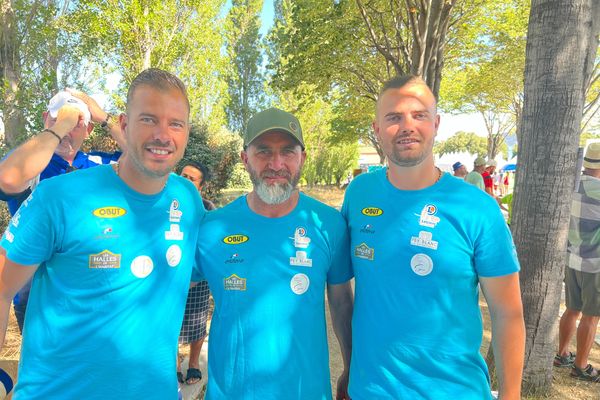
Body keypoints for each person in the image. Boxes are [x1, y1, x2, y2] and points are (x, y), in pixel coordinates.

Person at [0, 68, 204, 399]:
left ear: (186, 132)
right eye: (149, 119)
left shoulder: (188, 199)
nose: (163, 134)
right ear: (124, 125)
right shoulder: (58, 196)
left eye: (175, 123)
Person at [342, 75, 525, 399]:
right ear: (377, 128)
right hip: (371, 390)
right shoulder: (359, 194)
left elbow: (507, 313)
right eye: (394, 117)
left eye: (419, 115)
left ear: (436, 123)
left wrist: (511, 395)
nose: (407, 126)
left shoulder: (477, 208)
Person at [196, 107, 354, 399]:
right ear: (245, 159)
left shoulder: (329, 225)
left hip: (306, 391)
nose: (276, 163)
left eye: (288, 152)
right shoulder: (211, 229)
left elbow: (342, 304)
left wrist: (351, 367)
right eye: (264, 151)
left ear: (303, 158)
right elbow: (169, 292)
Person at [0, 90, 124, 333]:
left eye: (77, 123)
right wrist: (61, 127)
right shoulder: (32, 163)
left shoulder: (98, 164)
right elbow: (8, 179)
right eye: (58, 118)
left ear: (89, 131)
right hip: (36, 295)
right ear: (46, 118)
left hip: (92, 291)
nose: (67, 128)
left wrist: (106, 118)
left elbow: (143, 160)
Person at [555, 142, 600, 382]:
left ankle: (562, 354)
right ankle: (581, 366)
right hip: (595, 263)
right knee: (591, 317)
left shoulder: (573, 185)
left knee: (572, 310)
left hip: (572, 259)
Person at [177, 160, 215, 385]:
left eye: (191, 179)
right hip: (169, 277)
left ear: (201, 187)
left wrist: (193, 277)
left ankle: (193, 363)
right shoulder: (164, 204)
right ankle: (172, 365)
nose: (185, 180)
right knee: (168, 319)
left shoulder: (208, 210)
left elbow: (210, 246)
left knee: (197, 321)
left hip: (197, 278)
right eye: (182, 175)